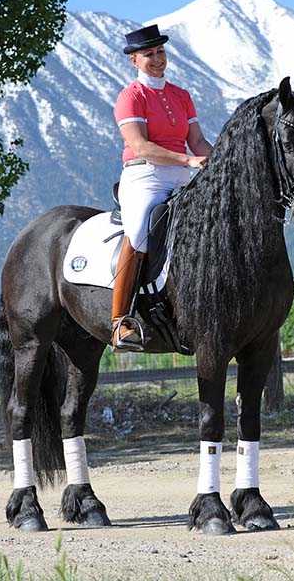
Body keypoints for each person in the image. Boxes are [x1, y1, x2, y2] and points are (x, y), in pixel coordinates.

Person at [111, 24, 212, 351]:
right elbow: (140, 146)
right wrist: (187, 160)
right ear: (134, 60)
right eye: (149, 54)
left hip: (183, 174)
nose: (157, 59)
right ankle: (120, 321)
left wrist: (221, 161)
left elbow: (197, 141)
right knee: (140, 229)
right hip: (146, 176)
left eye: (160, 52)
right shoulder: (130, 97)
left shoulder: (182, 96)